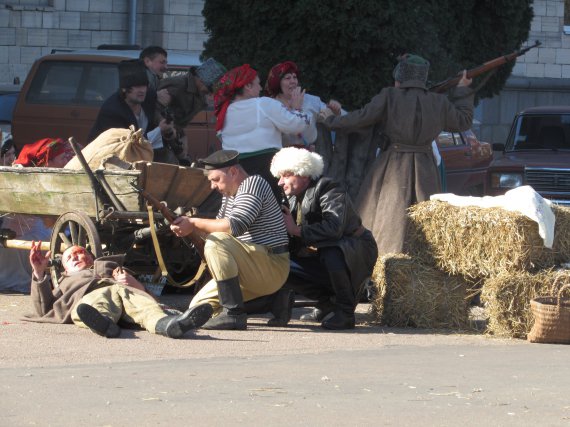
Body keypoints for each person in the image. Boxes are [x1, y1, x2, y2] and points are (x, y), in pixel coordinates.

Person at [320, 54, 473, 255]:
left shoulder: (389, 96)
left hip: (392, 165)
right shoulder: (438, 102)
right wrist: (462, 88)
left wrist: (331, 120)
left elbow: (361, 118)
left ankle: (384, 260)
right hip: (425, 168)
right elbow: (464, 120)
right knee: (426, 222)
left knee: (386, 218)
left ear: (399, 78)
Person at [170, 150, 293, 330]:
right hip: (253, 267)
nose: (212, 186)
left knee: (216, 242)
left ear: (233, 172)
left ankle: (233, 314)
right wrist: (187, 229)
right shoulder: (230, 195)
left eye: (216, 179)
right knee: (198, 307)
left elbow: (234, 227)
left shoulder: (253, 183)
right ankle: (273, 301)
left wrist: (194, 222)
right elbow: (221, 231)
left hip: (271, 264)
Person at [271, 147, 378, 330]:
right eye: (279, 177)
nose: (280, 182)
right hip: (327, 253)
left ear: (303, 174)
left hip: (355, 249)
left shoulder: (328, 187)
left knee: (331, 250)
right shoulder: (292, 198)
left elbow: (334, 228)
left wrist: (296, 230)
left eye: (285, 176)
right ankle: (328, 303)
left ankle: (345, 312)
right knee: (280, 262)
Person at [24, 243, 213, 338]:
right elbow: (44, 309)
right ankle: (104, 323)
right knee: (94, 302)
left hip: (124, 293)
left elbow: (148, 296)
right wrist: (39, 272)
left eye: (81, 252)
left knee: (141, 303)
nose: (77, 256)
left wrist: (133, 283)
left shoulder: (112, 269)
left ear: (91, 257)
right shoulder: (67, 282)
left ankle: (168, 325)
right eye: (70, 257)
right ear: (65, 269)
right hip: (90, 299)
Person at [213, 64, 310, 200]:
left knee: (241, 209)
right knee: (272, 212)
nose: (260, 88)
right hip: (264, 168)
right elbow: (296, 125)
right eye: (258, 84)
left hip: (234, 171)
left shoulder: (225, 112)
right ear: (248, 86)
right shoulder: (263, 104)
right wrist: (297, 108)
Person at [0, 137, 75, 294]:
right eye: (62, 158)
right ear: (47, 162)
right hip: (20, 258)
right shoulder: (30, 190)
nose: (66, 162)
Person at [88, 59, 176, 158]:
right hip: (106, 157)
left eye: (144, 85)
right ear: (124, 89)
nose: (142, 90)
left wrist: (167, 130)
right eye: (137, 86)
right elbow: (127, 145)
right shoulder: (112, 111)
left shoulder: (149, 97)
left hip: (140, 154)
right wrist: (159, 130)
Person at [155, 58, 226, 164]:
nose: (209, 93)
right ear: (202, 80)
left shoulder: (200, 97)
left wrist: (183, 140)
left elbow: (180, 123)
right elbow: (154, 110)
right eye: (210, 88)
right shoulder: (178, 85)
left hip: (171, 141)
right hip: (154, 139)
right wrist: (168, 131)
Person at [265, 60, 342, 149]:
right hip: (282, 156)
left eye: (295, 77)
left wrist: (335, 111)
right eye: (287, 78)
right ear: (277, 83)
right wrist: (295, 110)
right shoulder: (270, 105)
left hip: (310, 154)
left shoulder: (310, 100)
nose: (293, 81)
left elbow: (328, 116)